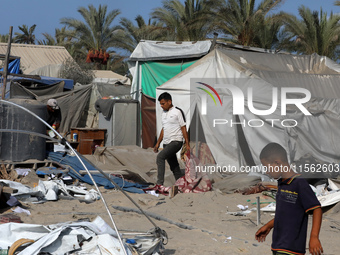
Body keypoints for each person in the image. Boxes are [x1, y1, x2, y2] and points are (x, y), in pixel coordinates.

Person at [255, 143, 323, 255]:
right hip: (278, 245)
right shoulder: (282, 184)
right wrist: (268, 226)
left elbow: (317, 209)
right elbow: (285, 214)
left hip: (292, 248)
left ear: (277, 162)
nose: (267, 171)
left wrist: (314, 237)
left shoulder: (300, 184)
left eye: (267, 167)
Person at [154, 92, 190, 185]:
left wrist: (187, 144)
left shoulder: (177, 112)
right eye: (160, 104)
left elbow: (183, 127)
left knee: (160, 157)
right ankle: (181, 184)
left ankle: (159, 184)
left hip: (176, 141)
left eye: (163, 103)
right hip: (166, 143)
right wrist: (158, 143)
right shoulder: (163, 113)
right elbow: (163, 129)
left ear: (169, 101)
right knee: (174, 166)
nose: (161, 106)